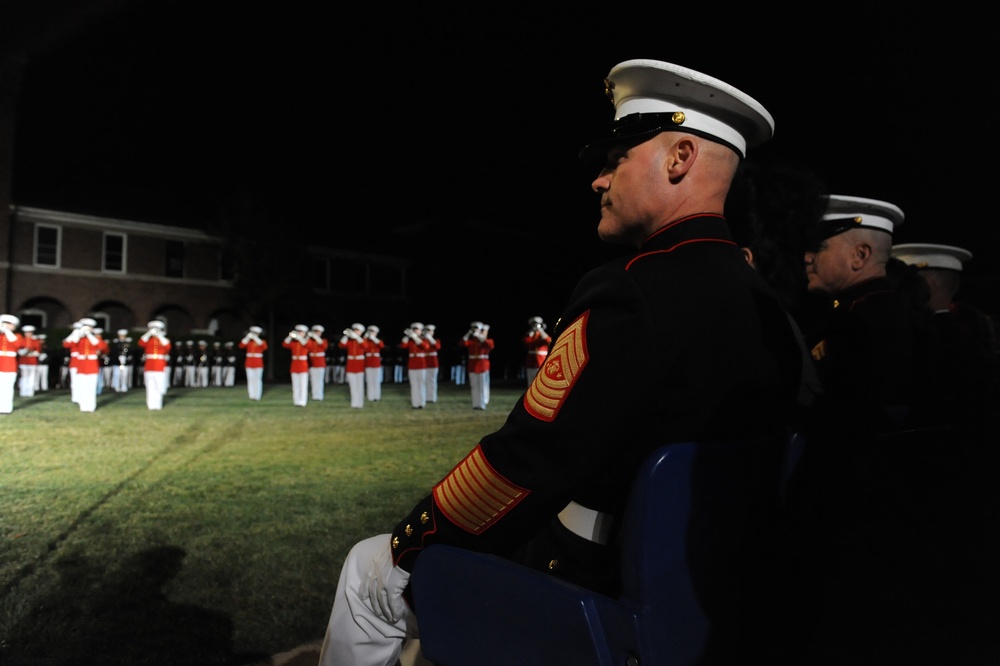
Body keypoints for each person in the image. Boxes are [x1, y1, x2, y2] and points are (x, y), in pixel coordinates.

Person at [319, 58, 805, 666]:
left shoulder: (633, 291)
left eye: (615, 158)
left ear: (679, 158)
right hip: (720, 589)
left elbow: (526, 460)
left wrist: (413, 541)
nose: (598, 181)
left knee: (371, 572)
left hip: (600, 593)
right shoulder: (769, 305)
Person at [62, 318, 108, 412]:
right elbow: (67, 344)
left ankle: (90, 406)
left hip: (92, 364)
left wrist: (89, 334)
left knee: (91, 386)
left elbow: (102, 346)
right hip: (81, 364)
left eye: (89, 327)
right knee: (82, 386)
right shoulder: (79, 338)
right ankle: (83, 406)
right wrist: (76, 333)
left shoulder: (94, 338)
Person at [137, 320, 171, 410]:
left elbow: (167, 346)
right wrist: (149, 333)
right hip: (149, 366)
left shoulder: (163, 340)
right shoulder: (149, 340)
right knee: (150, 386)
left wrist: (159, 335)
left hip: (159, 366)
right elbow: (140, 343)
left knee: (158, 386)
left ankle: (158, 405)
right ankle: (151, 405)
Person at [460, 321, 494, 409]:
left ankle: (482, 404)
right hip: (472, 365)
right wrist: (468, 333)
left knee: (482, 386)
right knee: (474, 386)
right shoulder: (471, 341)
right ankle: (476, 404)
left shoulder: (484, 340)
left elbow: (490, 345)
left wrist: (479, 335)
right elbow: (462, 343)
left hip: (482, 366)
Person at [399, 322, 430, 408]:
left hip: (421, 364)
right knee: (413, 385)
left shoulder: (424, 339)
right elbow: (403, 345)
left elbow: (425, 346)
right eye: (414, 329)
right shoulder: (410, 340)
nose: (416, 331)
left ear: (421, 331)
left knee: (421, 384)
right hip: (412, 364)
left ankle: (422, 403)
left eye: (417, 329)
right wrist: (406, 336)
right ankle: (415, 403)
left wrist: (415, 337)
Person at [338, 323, 367, 408]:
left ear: (361, 332)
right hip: (351, 364)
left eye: (357, 331)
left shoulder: (362, 340)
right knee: (352, 385)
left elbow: (365, 346)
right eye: (354, 330)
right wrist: (346, 335)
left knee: (359, 385)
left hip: (359, 364)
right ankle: (354, 403)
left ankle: (360, 403)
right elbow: (341, 345)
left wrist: (357, 337)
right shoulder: (350, 341)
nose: (355, 332)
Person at [0, 314, 24, 414]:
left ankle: (6, 408)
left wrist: (7, 331)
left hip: (10, 365)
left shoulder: (17, 336)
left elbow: (17, 344)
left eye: (9, 324)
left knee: (8, 387)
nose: (6, 326)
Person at [283, 325, 311, 407]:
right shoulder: (294, 343)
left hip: (303, 365)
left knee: (303, 385)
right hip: (295, 365)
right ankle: (296, 401)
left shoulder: (307, 341)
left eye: (301, 332)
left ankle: (302, 401)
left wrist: (299, 337)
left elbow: (307, 345)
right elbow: (285, 344)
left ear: (305, 333)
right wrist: (290, 336)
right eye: (298, 332)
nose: (299, 333)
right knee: (295, 385)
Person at [522, 316, 552, 386]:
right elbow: (525, 341)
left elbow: (549, 341)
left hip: (541, 362)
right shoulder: (530, 335)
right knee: (530, 384)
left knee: (542, 384)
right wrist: (531, 331)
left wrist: (541, 330)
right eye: (534, 324)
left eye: (537, 324)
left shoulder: (543, 335)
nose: (535, 326)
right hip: (531, 363)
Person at [240, 326, 268, 401]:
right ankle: (252, 395)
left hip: (258, 363)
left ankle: (257, 395)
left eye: (255, 333)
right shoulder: (249, 342)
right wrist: (248, 337)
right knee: (250, 379)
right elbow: (241, 345)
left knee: (257, 379)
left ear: (258, 334)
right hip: (249, 363)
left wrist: (255, 337)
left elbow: (264, 347)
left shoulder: (261, 341)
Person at [17, 324, 41, 398]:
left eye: (29, 332)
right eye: (26, 332)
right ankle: (23, 391)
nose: (27, 334)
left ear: (32, 333)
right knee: (24, 377)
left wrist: (31, 352)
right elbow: (18, 351)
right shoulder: (21, 341)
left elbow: (38, 352)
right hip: (23, 361)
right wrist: (24, 351)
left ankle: (30, 392)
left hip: (32, 362)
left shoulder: (36, 341)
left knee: (31, 377)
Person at [363, 325, 385, 401]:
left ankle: (377, 396)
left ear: (376, 333)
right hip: (368, 362)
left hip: (376, 362)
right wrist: (365, 338)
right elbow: (363, 348)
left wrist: (374, 338)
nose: (371, 333)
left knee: (376, 380)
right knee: (369, 380)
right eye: (370, 332)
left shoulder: (378, 340)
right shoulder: (366, 341)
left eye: (373, 332)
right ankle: (370, 396)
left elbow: (381, 346)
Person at [307, 325, 329, 401]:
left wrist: (316, 337)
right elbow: (306, 345)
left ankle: (319, 396)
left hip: (320, 363)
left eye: (318, 332)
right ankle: (314, 395)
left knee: (319, 380)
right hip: (312, 362)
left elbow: (324, 346)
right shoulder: (311, 341)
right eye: (315, 332)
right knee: (313, 380)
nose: (316, 333)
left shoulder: (323, 340)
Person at [110, 329, 133, 393]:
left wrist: (128, 357)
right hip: (117, 362)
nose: (122, 337)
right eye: (121, 336)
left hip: (125, 362)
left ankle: (124, 386)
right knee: (117, 375)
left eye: (123, 336)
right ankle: (117, 386)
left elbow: (130, 352)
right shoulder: (116, 343)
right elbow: (113, 352)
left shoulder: (128, 343)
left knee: (124, 375)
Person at [423, 324, 441, 402]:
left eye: (431, 331)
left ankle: (432, 397)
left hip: (433, 363)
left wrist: (430, 338)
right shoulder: (423, 340)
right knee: (424, 381)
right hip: (424, 362)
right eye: (428, 331)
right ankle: (425, 396)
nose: (430, 332)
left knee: (432, 380)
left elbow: (437, 347)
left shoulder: (435, 340)